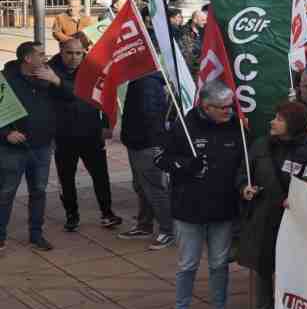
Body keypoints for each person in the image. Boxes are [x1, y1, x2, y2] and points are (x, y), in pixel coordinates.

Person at [156, 81, 245, 309]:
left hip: (223, 209)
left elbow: (246, 163)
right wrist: (186, 165)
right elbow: (160, 157)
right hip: (188, 209)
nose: (230, 112)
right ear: (206, 107)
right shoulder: (184, 125)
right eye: (224, 108)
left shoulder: (237, 127)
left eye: (232, 106)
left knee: (219, 265)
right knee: (187, 266)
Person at [239, 102, 307, 309]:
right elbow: (243, 173)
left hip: (292, 223)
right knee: (262, 274)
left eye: (279, 119)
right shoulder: (260, 145)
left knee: (291, 276)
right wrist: (244, 188)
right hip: (263, 220)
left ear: (292, 124)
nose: (272, 122)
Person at [0, 42, 71, 252]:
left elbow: (72, 96)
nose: (45, 58)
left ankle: (36, 234)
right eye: (40, 54)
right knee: (6, 192)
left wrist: (56, 80)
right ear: (27, 59)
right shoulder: (6, 79)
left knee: (39, 191)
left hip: (41, 147)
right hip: (12, 148)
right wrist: (5, 133)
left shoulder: (48, 76)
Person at [49, 38, 121, 231]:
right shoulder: (49, 70)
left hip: (90, 131)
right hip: (63, 134)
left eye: (78, 53)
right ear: (61, 50)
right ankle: (72, 215)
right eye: (69, 53)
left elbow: (105, 95)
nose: (74, 58)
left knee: (100, 175)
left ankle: (107, 212)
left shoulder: (92, 68)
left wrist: (106, 124)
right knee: (66, 178)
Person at [119, 72, 175, 249]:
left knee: (153, 188)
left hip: (145, 144)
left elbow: (151, 116)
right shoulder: (140, 80)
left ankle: (168, 230)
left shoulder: (146, 83)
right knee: (142, 186)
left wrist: (153, 143)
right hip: (138, 142)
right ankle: (145, 225)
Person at [178, 7, 207, 76]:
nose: (205, 22)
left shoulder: (203, 30)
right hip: (191, 71)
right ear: (195, 20)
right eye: (203, 20)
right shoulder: (184, 32)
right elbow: (188, 55)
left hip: (201, 68)